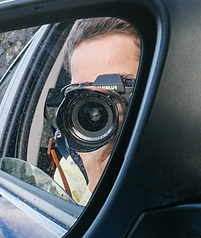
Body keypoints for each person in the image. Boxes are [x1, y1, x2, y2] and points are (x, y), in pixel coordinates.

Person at [53, 17, 141, 200]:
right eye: (81, 91)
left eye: (120, 85)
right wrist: (97, 184)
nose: (97, 105)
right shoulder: (71, 171)